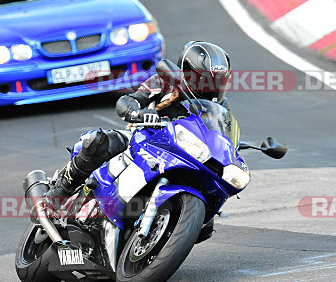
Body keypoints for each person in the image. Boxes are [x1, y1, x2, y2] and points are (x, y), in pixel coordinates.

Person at [45, 41, 232, 200]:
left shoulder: (221, 107)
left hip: (185, 155)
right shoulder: (165, 83)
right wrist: (138, 113)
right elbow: (128, 101)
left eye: (219, 81)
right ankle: (60, 191)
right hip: (145, 139)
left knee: (208, 215)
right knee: (99, 141)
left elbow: (223, 136)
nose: (212, 87)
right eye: (207, 81)